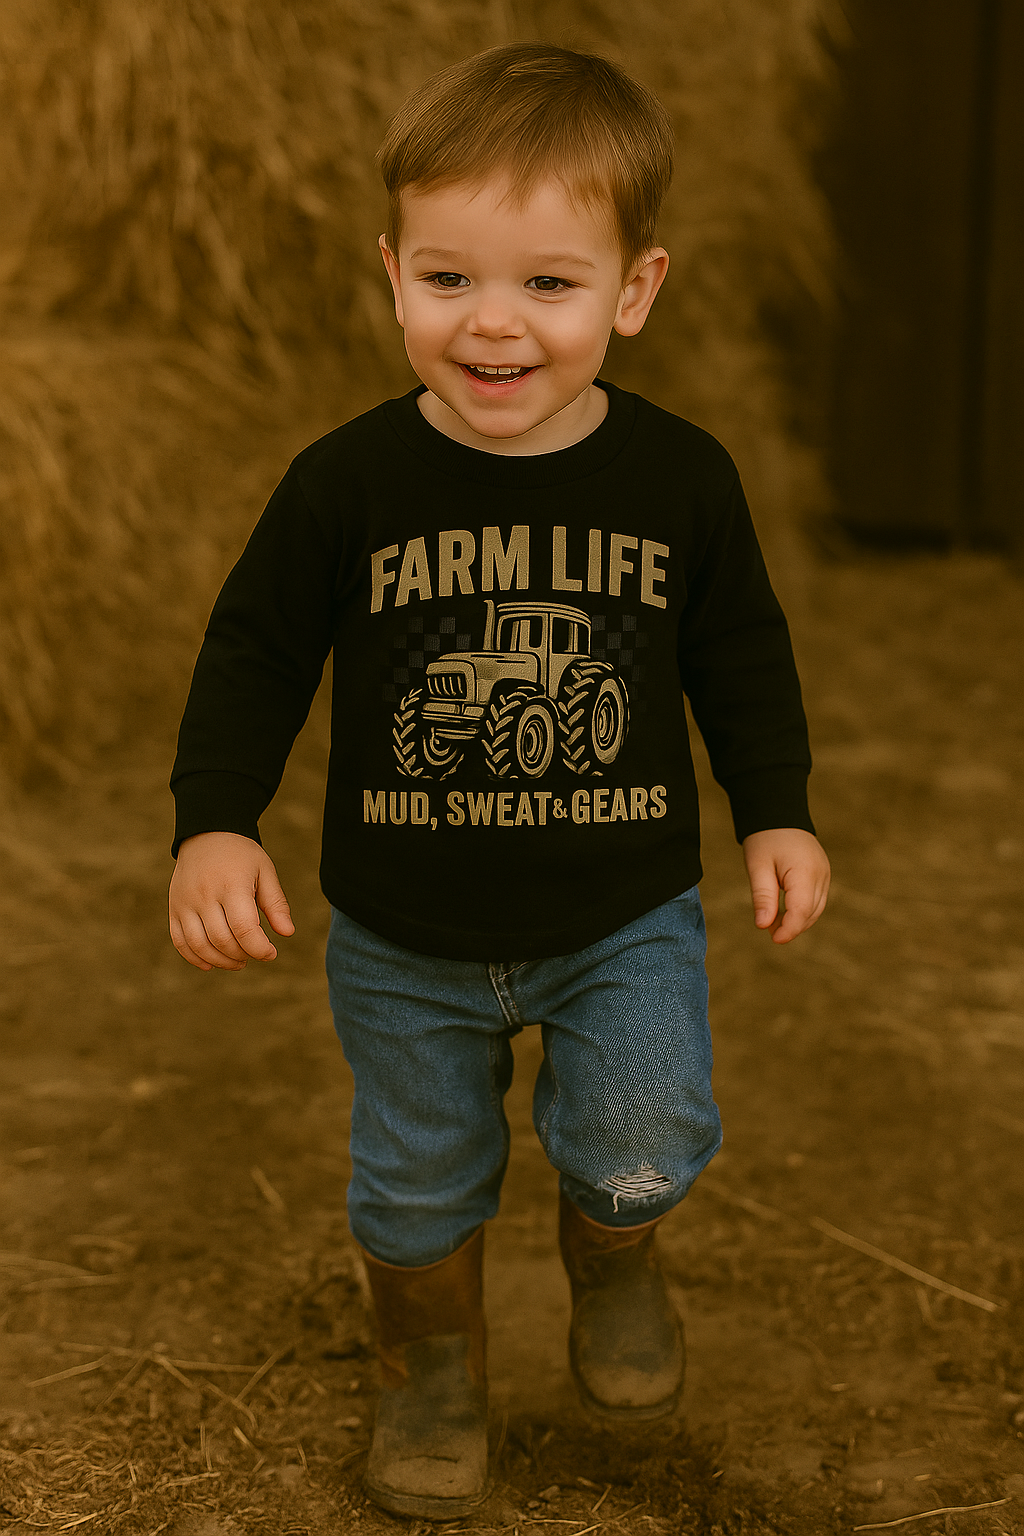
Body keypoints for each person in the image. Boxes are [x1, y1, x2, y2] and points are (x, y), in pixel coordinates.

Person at [168, 42, 830, 1521]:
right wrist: (214, 822)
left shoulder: (683, 482)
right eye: (452, 279)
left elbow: (744, 659)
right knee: (414, 1175)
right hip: (402, 933)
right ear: (393, 272)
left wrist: (775, 807)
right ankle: (431, 1370)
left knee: (644, 1137)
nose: (495, 326)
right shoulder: (346, 485)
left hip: (623, 913)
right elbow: (254, 654)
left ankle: (615, 1251)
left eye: (549, 284)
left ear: (635, 292)